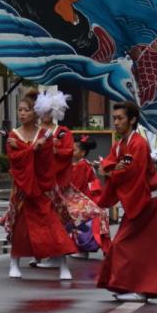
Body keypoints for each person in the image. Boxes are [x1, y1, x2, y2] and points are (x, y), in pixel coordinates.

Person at [93, 101, 157, 302]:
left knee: (133, 246)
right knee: (131, 246)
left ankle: (140, 288)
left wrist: (109, 169)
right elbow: (114, 164)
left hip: (147, 203)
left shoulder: (138, 144)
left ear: (132, 120)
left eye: (120, 118)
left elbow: (129, 171)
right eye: (114, 118)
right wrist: (110, 167)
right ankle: (130, 285)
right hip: (141, 201)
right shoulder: (121, 145)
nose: (116, 122)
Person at [3, 89, 77, 280]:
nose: (21, 113)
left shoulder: (45, 134)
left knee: (53, 225)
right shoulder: (14, 135)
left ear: (34, 113)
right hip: (22, 188)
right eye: (19, 110)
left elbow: (47, 161)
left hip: (43, 187)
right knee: (20, 228)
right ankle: (14, 261)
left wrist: (38, 147)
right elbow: (15, 160)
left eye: (25, 110)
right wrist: (32, 149)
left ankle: (62, 264)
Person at [38, 90, 110, 258]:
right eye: (43, 112)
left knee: (71, 217)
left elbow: (67, 152)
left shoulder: (62, 132)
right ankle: (44, 252)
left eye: (49, 112)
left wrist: (53, 148)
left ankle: (64, 251)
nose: (45, 115)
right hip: (40, 181)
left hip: (61, 185)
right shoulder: (35, 131)